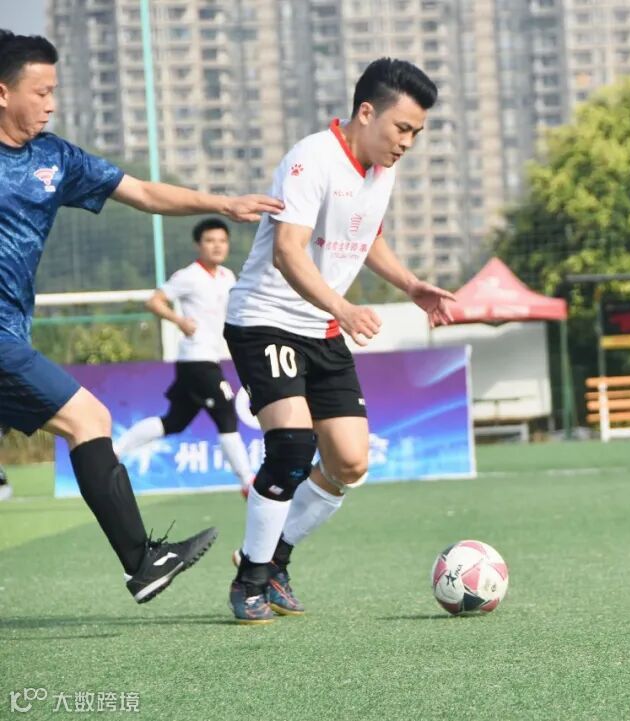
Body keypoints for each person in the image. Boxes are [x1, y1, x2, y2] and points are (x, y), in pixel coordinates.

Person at [0, 30, 284, 602]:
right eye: (41, 91)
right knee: (89, 418)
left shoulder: (55, 158)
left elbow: (145, 193)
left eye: (55, 91)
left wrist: (223, 203)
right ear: (3, 93)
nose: (51, 103)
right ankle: (142, 561)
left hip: (13, 331)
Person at [224, 58, 453, 623]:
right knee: (292, 446)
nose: (407, 143)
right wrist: (344, 308)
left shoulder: (381, 171)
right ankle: (250, 582)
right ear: (366, 112)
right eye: (402, 128)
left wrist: (411, 285)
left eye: (416, 134)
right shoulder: (312, 159)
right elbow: (288, 252)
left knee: (349, 462)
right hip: (266, 320)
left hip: (321, 329)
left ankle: (273, 559)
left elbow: (366, 236)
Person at [114, 218, 254, 495]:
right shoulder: (189, 275)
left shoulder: (227, 277)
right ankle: (247, 481)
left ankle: (114, 450)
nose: (217, 246)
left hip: (209, 358)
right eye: (210, 241)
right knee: (226, 413)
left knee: (175, 421)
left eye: (222, 241)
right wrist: (179, 321)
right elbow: (154, 301)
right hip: (196, 360)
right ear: (198, 245)